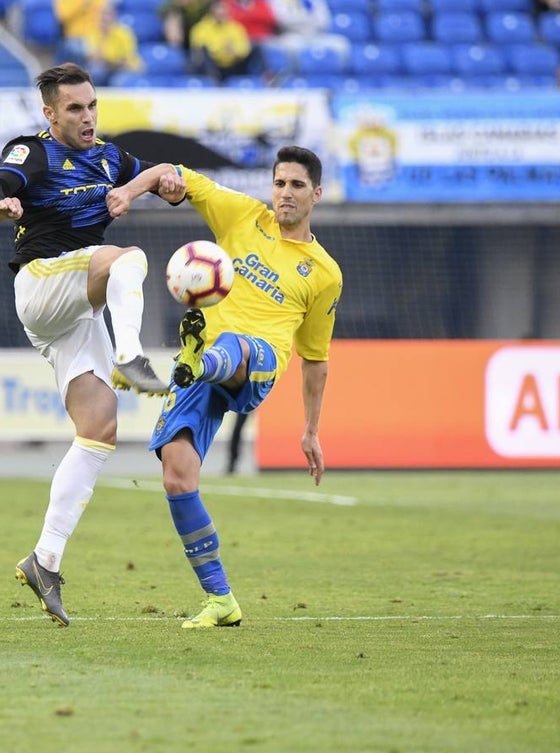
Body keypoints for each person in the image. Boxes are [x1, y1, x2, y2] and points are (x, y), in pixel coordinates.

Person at [0, 62, 182, 627]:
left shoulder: (110, 158)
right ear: (50, 114)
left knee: (99, 428)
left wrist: (152, 186)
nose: (87, 117)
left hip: (77, 304)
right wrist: (0, 204)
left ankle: (44, 561)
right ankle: (130, 357)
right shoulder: (35, 153)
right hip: (43, 283)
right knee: (129, 259)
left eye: (91, 105)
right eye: (74, 109)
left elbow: (164, 173)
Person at [118, 145, 341, 629]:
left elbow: (316, 360)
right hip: (204, 363)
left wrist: (311, 431)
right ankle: (221, 601)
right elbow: (170, 170)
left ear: (316, 194)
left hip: (255, 364)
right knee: (177, 477)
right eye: (280, 183)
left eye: (297, 186)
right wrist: (130, 192)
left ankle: (198, 360)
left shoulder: (324, 273)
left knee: (237, 345)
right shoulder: (242, 215)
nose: (285, 193)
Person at [187, 1, 255, 82]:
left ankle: (268, 79)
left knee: (257, 49)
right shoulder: (200, 28)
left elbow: (244, 49)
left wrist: (235, 51)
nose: (221, 12)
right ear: (211, 11)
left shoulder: (236, 27)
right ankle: (215, 82)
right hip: (211, 66)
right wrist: (221, 50)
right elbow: (198, 51)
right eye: (218, 9)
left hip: (232, 64)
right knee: (203, 54)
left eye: (223, 9)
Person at [82, 4, 144, 86]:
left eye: (108, 16)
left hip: (126, 69)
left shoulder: (124, 33)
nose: (104, 19)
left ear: (114, 17)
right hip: (106, 68)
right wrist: (103, 39)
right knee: (94, 72)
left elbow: (124, 61)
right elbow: (92, 57)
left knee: (117, 81)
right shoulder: (93, 32)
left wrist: (106, 60)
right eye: (102, 17)